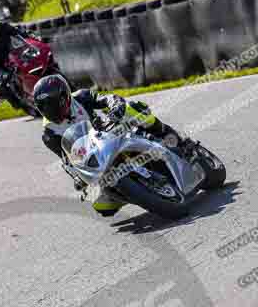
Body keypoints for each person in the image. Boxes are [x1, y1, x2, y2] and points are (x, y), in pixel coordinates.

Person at [32, 74, 189, 217]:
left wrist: (116, 105)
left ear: (64, 97)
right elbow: (66, 160)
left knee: (133, 109)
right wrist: (77, 177)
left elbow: (105, 99)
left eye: (53, 104)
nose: (50, 110)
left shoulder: (81, 97)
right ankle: (136, 191)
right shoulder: (49, 133)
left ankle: (174, 139)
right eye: (44, 107)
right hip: (94, 155)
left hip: (110, 131)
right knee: (102, 206)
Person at [0, 10, 39, 111]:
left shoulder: (4, 27)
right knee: (1, 87)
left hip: (12, 55)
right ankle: (18, 103)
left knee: (32, 62)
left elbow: (19, 32)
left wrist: (31, 38)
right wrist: (1, 73)